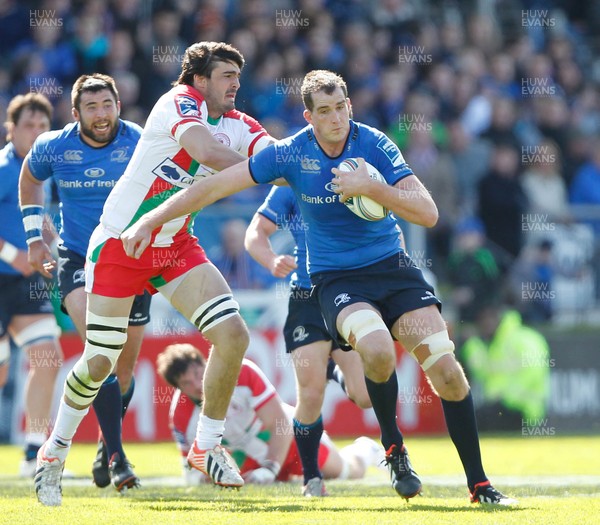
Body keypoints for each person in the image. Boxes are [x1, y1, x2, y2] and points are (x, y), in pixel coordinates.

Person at [122, 69, 518, 505]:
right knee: (378, 352)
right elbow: (215, 186)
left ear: (350, 106)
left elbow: (428, 213)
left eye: (341, 108)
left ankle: (480, 485)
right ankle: (394, 450)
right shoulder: (291, 154)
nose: (336, 119)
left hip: (394, 268)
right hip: (336, 281)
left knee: (449, 374)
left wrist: (372, 187)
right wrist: (152, 217)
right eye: (324, 112)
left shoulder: (375, 144)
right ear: (308, 117)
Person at [29, 42, 274, 506]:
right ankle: (53, 452)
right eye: (225, 75)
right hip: (122, 243)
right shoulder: (177, 102)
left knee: (234, 335)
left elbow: (275, 156)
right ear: (199, 80)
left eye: (237, 76)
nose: (235, 84)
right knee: (102, 359)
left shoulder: (241, 125)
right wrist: (269, 169)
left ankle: (206, 447)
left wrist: (317, 163)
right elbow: (206, 150)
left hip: (175, 246)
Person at [19, 73, 151, 492]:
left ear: (118, 106)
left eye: (107, 105)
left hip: (131, 260)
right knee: (101, 352)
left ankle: (102, 447)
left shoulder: (140, 142)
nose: (101, 114)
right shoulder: (54, 146)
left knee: (124, 370)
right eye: (91, 107)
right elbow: (29, 178)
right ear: (75, 113)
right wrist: (33, 238)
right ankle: (117, 457)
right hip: (77, 258)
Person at [244, 184, 372, 496]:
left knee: (365, 395)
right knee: (310, 395)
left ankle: (332, 371)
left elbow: (386, 225)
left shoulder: (355, 170)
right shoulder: (291, 180)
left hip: (349, 294)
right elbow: (255, 233)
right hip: (306, 297)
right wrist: (271, 259)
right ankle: (312, 479)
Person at [156, 343, 384, 487]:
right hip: (246, 458)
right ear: (179, 388)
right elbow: (192, 466)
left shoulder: (241, 372)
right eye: (187, 382)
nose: (197, 384)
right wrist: (205, 478)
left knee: (345, 472)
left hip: (289, 440)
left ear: (205, 362)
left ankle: (366, 449)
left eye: (198, 373)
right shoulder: (181, 414)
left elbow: (280, 424)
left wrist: (270, 468)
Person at [0, 93, 63, 477]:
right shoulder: (5, 167)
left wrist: (53, 244)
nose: (37, 132)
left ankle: (33, 453)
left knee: (48, 358)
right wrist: (13, 256)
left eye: (44, 126)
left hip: (25, 285)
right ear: (12, 128)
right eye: (29, 125)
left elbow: (42, 222)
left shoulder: (43, 171)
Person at [460, 305, 551, 432]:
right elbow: (482, 371)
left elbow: (533, 372)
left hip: (522, 407)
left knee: (473, 422)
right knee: (470, 420)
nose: (485, 324)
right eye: (482, 320)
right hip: (500, 406)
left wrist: (506, 398)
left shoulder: (524, 338)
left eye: (489, 318)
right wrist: (471, 343)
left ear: (499, 317)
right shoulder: (496, 343)